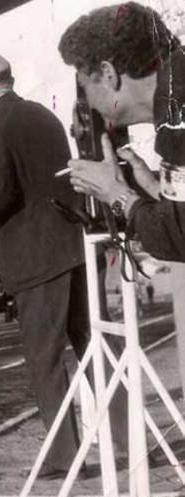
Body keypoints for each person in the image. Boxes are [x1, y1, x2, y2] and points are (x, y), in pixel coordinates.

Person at [0, 54, 124, 478]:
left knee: (45, 359)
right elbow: (33, 175)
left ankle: (64, 458)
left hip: (36, 259)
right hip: (74, 245)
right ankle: (131, 440)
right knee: (97, 348)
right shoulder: (42, 115)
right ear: (9, 80)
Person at [61, 2, 185, 406]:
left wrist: (117, 195)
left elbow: (177, 237)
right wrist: (153, 188)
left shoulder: (176, 111)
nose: (90, 105)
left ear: (109, 73)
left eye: (86, 86)